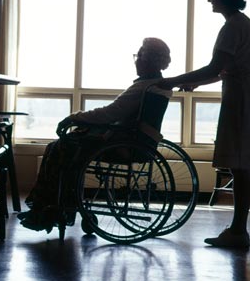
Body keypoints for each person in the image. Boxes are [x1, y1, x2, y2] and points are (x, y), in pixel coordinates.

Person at [157, 0, 250, 248]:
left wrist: (175, 79)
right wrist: (196, 83)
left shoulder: (232, 27)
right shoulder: (242, 25)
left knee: (239, 166)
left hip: (242, 101)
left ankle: (238, 231)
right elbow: (224, 69)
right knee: (245, 167)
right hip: (248, 96)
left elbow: (216, 67)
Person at [17, 37, 173, 232]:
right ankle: (52, 208)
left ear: (148, 60)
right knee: (65, 148)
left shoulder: (144, 87)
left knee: (61, 148)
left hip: (122, 143)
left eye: (139, 55)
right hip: (134, 141)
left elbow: (110, 113)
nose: (136, 60)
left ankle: (51, 208)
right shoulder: (157, 85)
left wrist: (75, 118)